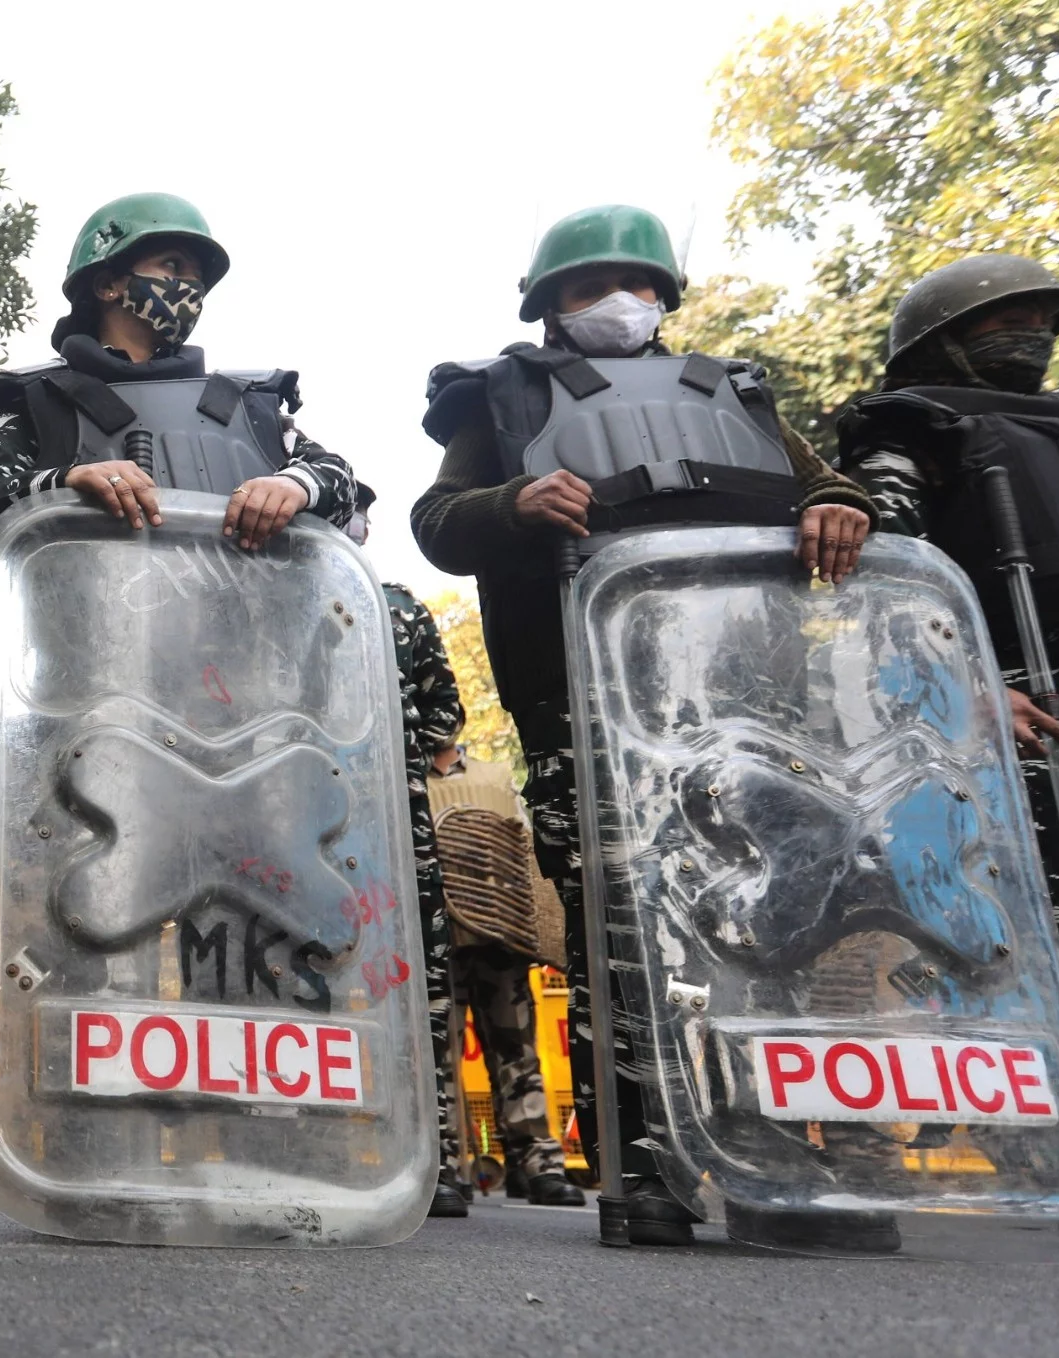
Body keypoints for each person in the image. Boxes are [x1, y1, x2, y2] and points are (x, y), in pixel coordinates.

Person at [411, 204, 875, 1245]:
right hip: (583, 707)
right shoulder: (500, 398)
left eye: (632, 283)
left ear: (661, 294)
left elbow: (824, 487)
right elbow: (437, 523)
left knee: (776, 930)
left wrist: (837, 502)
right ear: (546, 307)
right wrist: (514, 503)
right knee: (620, 943)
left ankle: (791, 1166)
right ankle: (648, 1166)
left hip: (744, 708)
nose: (615, 303)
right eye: (585, 288)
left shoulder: (729, 389)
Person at [834, 253, 1059, 1071]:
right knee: (1050, 925)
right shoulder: (911, 429)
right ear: (941, 342)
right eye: (1003, 320)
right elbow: (885, 579)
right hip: (1021, 709)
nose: (1028, 335)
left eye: (1039, 323)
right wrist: (968, 693)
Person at [0, 192, 355, 557]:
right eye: (172, 265)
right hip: (95, 628)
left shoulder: (244, 400)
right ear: (108, 284)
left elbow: (337, 480)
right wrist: (67, 480)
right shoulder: (41, 399)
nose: (190, 287)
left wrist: (293, 486)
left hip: (244, 630)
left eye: (196, 276)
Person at [350, 485, 468, 1217]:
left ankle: (434, 1159)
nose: (351, 520)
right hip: (343, 824)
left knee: (418, 988)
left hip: (392, 828)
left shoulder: (399, 606)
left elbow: (445, 714)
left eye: (358, 509)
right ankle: (421, 1161)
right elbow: (441, 719)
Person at [425, 740, 583, 1207]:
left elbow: (525, 854)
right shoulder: (404, 780)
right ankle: (443, 1165)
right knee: (437, 1056)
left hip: (502, 938)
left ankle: (538, 1165)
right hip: (434, 939)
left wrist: (538, 931)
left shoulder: (495, 777)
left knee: (519, 1051)